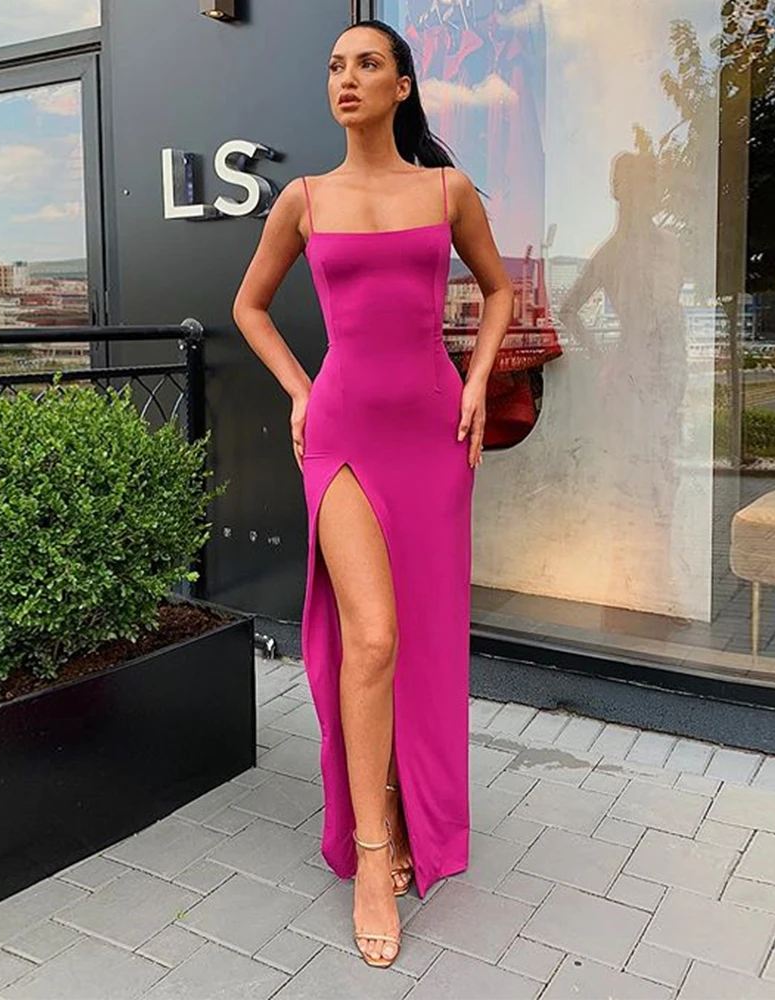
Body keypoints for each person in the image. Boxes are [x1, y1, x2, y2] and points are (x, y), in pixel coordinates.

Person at [232, 18, 512, 970]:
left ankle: (401, 803)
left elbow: (499, 291)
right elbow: (248, 306)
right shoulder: (304, 199)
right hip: (343, 433)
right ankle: (369, 850)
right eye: (334, 66)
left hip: (434, 436)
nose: (345, 79)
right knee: (374, 637)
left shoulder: (446, 190)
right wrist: (300, 389)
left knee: (419, 640)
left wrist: (478, 379)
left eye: (366, 65)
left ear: (402, 86)